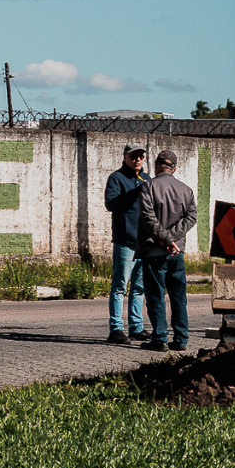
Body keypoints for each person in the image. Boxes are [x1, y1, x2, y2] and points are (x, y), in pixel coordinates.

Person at [136, 149, 196, 352]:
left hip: (154, 251)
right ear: (174, 168)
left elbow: (148, 218)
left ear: (156, 165)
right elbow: (191, 217)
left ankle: (159, 339)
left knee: (156, 296)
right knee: (179, 297)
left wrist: (165, 239)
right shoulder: (186, 190)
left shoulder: (148, 187)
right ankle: (181, 339)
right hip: (177, 252)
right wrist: (173, 239)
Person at [102, 144, 149, 343]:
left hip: (144, 241)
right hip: (125, 240)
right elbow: (110, 204)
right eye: (133, 156)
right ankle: (116, 328)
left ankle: (136, 326)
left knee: (139, 287)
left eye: (140, 156)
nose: (137, 159)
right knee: (120, 285)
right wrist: (133, 193)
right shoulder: (116, 178)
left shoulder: (147, 180)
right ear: (125, 157)